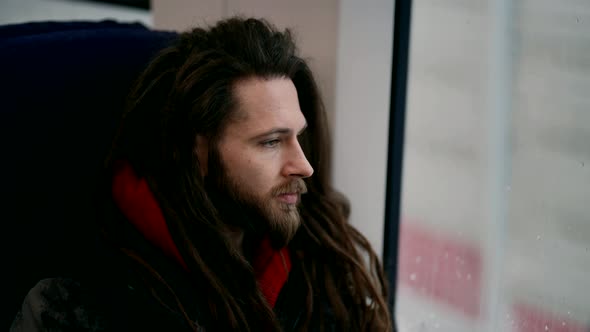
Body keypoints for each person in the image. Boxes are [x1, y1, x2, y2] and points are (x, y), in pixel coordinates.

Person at [10, 16, 393, 332]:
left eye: (299, 137)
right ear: (197, 151)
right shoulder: (74, 307)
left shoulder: (313, 269)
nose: (305, 166)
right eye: (271, 142)